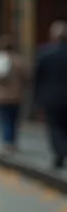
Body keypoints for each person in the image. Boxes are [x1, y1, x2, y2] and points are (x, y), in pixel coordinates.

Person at [34, 21, 67, 169]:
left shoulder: (44, 53)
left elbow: (38, 78)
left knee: (55, 127)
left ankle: (60, 151)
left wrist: (38, 100)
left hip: (51, 98)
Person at [0, 35, 28, 154]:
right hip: (16, 96)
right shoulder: (19, 60)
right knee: (14, 119)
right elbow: (27, 77)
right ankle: (12, 142)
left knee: (4, 119)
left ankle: (6, 142)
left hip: (0, 96)